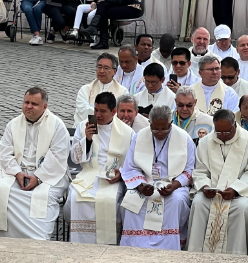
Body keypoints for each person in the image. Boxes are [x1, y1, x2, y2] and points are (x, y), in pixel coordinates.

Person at [0, 87, 69, 240]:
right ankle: (6, 238)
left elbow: (58, 156)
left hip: (48, 176)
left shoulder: (57, 125)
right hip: (18, 173)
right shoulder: (13, 124)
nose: (28, 106)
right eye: (26, 102)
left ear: (44, 107)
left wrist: (38, 177)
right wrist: (17, 173)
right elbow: (5, 152)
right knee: (2, 189)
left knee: (44, 195)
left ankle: (38, 239)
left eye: (34, 104)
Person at [120, 105, 195, 250]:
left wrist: (173, 186)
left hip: (173, 184)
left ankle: (168, 247)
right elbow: (130, 167)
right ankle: (134, 247)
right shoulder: (140, 136)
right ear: (150, 123)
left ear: (171, 123)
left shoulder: (184, 138)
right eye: (155, 129)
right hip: (146, 182)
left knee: (175, 201)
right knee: (130, 202)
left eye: (164, 129)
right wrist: (141, 185)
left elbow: (190, 170)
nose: (159, 133)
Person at [66, 91, 134, 244]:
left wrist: (121, 174)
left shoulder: (127, 132)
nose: (97, 115)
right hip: (89, 174)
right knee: (75, 198)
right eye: (96, 110)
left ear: (114, 111)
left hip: (112, 178)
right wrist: (87, 139)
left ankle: (108, 245)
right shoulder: (84, 126)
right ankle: (80, 245)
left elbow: (132, 161)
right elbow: (74, 159)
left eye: (102, 111)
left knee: (110, 200)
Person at [187, 109, 248, 254]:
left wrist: (235, 189)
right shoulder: (206, 141)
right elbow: (200, 170)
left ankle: (236, 255)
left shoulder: (246, 140)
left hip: (240, 193)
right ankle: (195, 254)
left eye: (226, 132)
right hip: (212, 192)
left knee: (241, 208)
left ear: (234, 126)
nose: (221, 136)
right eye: (218, 132)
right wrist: (205, 186)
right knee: (198, 203)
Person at [74, 53, 128, 125]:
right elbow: (82, 111)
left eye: (106, 68)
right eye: (99, 67)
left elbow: (120, 115)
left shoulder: (123, 92)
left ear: (114, 72)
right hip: (86, 127)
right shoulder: (85, 89)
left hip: (110, 130)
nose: (101, 71)